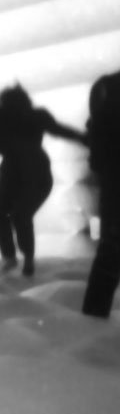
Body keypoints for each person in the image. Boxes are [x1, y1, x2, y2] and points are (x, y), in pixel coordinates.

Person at [0, 84, 87, 276]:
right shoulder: (30, 117)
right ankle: (23, 258)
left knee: (6, 215)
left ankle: (14, 257)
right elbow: (59, 130)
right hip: (32, 170)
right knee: (18, 215)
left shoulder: (2, 117)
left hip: (20, 170)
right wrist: (84, 137)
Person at [82, 70, 120, 318]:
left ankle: (93, 320)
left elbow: (96, 158)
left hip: (116, 182)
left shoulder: (106, 88)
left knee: (111, 252)